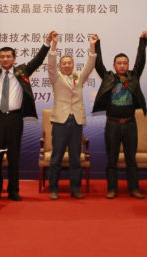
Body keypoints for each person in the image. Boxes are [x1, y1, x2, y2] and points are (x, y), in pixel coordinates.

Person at [0, 31, 53, 201]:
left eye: (8, 56)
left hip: (15, 118)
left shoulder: (22, 71)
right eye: (2, 57)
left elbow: (37, 60)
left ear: (14, 58)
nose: (5, 59)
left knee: (14, 156)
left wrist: (47, 43)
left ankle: (13, 190)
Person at [92, 31, 147, 200]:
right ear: (114, 65)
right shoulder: (108, 78)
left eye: (125, 63)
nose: (122, 66)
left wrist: (142, 41)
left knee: (131, 159)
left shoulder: (133, 77)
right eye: (119, 63)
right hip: (112, 125)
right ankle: (112, 189)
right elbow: (98, 64)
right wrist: (96, 44)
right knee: (112, 160)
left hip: (130, 124)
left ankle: (134, 188)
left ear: (128, 65)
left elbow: (141, 61)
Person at [47, 32, 97, 200]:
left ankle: (75, 189)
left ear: (73, 65)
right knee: (56, 158)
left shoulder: (78, 77)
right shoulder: (55, 77)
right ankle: (53, 189)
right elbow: (51, 64)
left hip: (76, 121)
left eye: (70, 63)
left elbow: (90, 65)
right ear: (60, 66)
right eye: (64, 63)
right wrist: (54, 45)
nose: (67, 65)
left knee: (76, 158)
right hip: (59, 122)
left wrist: (92, 46)